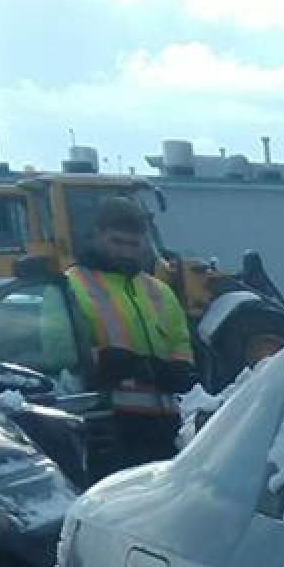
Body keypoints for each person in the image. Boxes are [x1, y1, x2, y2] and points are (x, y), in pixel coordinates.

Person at [61, 196, 196, 464]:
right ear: (98, 236)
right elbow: (60, 352)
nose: (125, 252)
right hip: (106, 427)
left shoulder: (159, 291)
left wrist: (177, 370)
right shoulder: (71, 286)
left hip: (164, 429)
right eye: (117, 242)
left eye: (133, 244)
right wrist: (104, 361)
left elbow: (181, 346)